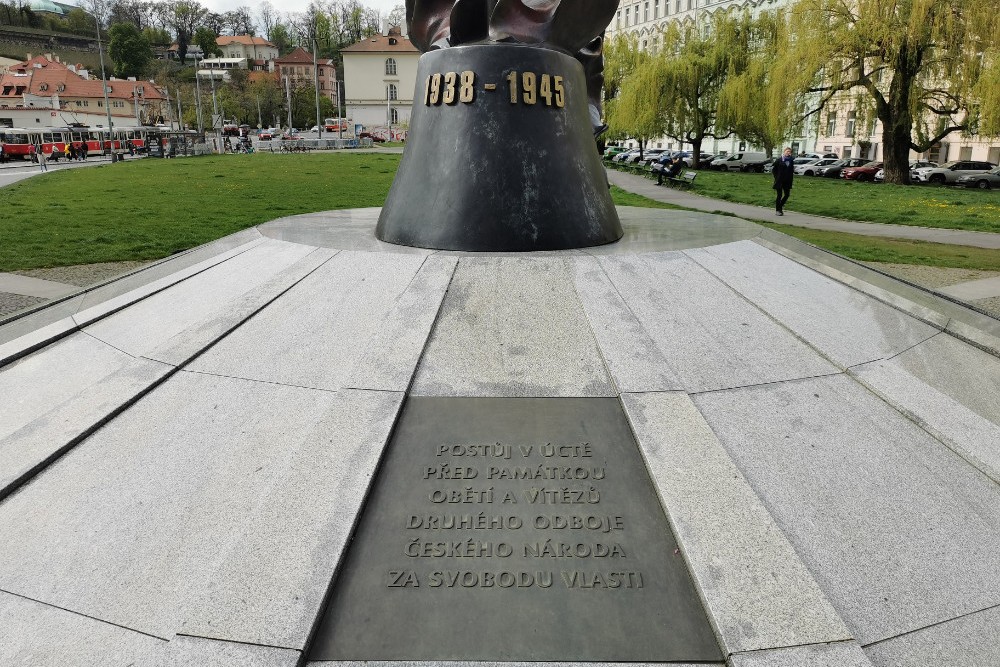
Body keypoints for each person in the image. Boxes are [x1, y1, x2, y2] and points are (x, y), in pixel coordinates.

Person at [771, 147, 795, 215]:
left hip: (787, 181)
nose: (788, 153)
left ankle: (780, 206)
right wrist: (776, 178)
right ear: (784, 152)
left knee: (787, 195)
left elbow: (791, 171)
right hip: (779, 181)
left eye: (790, 152)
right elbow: (774, 170)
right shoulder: (779, 160)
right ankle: (778, 210)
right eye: (787, 151)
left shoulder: (791, 161)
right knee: (779, 195)